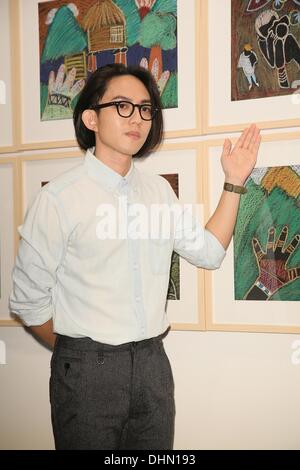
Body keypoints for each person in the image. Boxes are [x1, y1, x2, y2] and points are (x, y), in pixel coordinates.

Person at [9, 63, 261, 450]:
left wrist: (234, 181)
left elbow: (209, 252)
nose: (138, 118)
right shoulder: (59, 199)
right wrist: (77, 353)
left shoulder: (158, 191)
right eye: (122, 106)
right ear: (91, 118)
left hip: (152, 364)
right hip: (86, 370)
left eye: (145, 108)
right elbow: (27, 301)